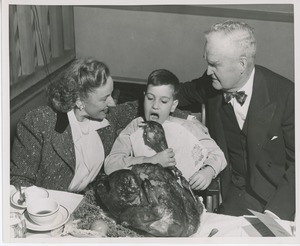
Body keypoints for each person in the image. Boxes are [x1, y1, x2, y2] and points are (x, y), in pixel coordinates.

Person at [177, 20, 295, 220]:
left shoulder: (286, 95)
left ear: (241, 64)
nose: (207, 71)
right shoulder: (211, 83)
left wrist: (274, 215)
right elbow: (173, 93)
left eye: (215, 65)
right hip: (233, 197)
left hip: (280, 201)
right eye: (207, 62)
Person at [10, 58, 139, 192]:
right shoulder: (38, 122)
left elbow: (136, 107)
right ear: (79, 100)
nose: (112, 103)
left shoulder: (107, 116)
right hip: (47, 207)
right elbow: (19, 181)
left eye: (111, 94)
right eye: (104, 98)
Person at [104, 69, 227, 191]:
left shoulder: (187, 127)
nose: (155, 105)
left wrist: (209, 171)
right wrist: (149, 162)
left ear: (173, 105)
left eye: (163, 101)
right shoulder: (135, 127)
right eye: (150, 98)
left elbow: (218, 155)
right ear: (144, 97)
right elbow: (110, 165)